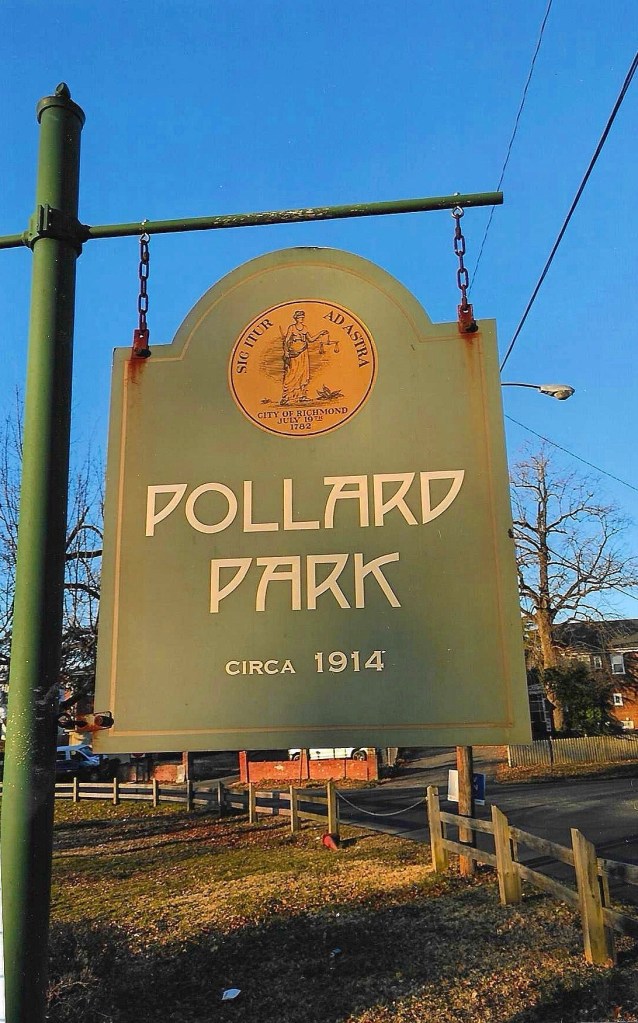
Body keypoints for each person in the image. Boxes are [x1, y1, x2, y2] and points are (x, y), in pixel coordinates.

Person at [280, 310, 327, 405]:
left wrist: (320, 333)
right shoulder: (292, 328)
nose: (302, 318)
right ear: (296, 318)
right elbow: (286, 341)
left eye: (302, 317)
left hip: (303, 352)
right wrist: (286, 352)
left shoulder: (305, 328)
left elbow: (310, 339)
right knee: (292, 373)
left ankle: (302, 396)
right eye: (300, 317)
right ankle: (286, 397)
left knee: (303, 373)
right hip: (294, 353)